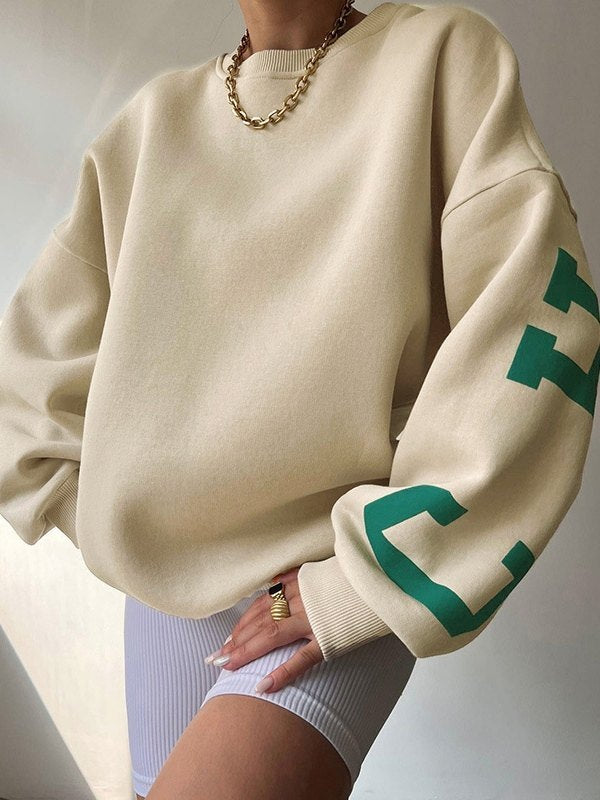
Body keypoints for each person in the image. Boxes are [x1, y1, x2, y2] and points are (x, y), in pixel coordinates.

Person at [0, 1, 598, 798]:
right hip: (168, 600)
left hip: (338, 562)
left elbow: (538, 327)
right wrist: (116, 511)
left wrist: (360, 581)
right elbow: (26, 378)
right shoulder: (152, 124)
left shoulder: (442, 59)